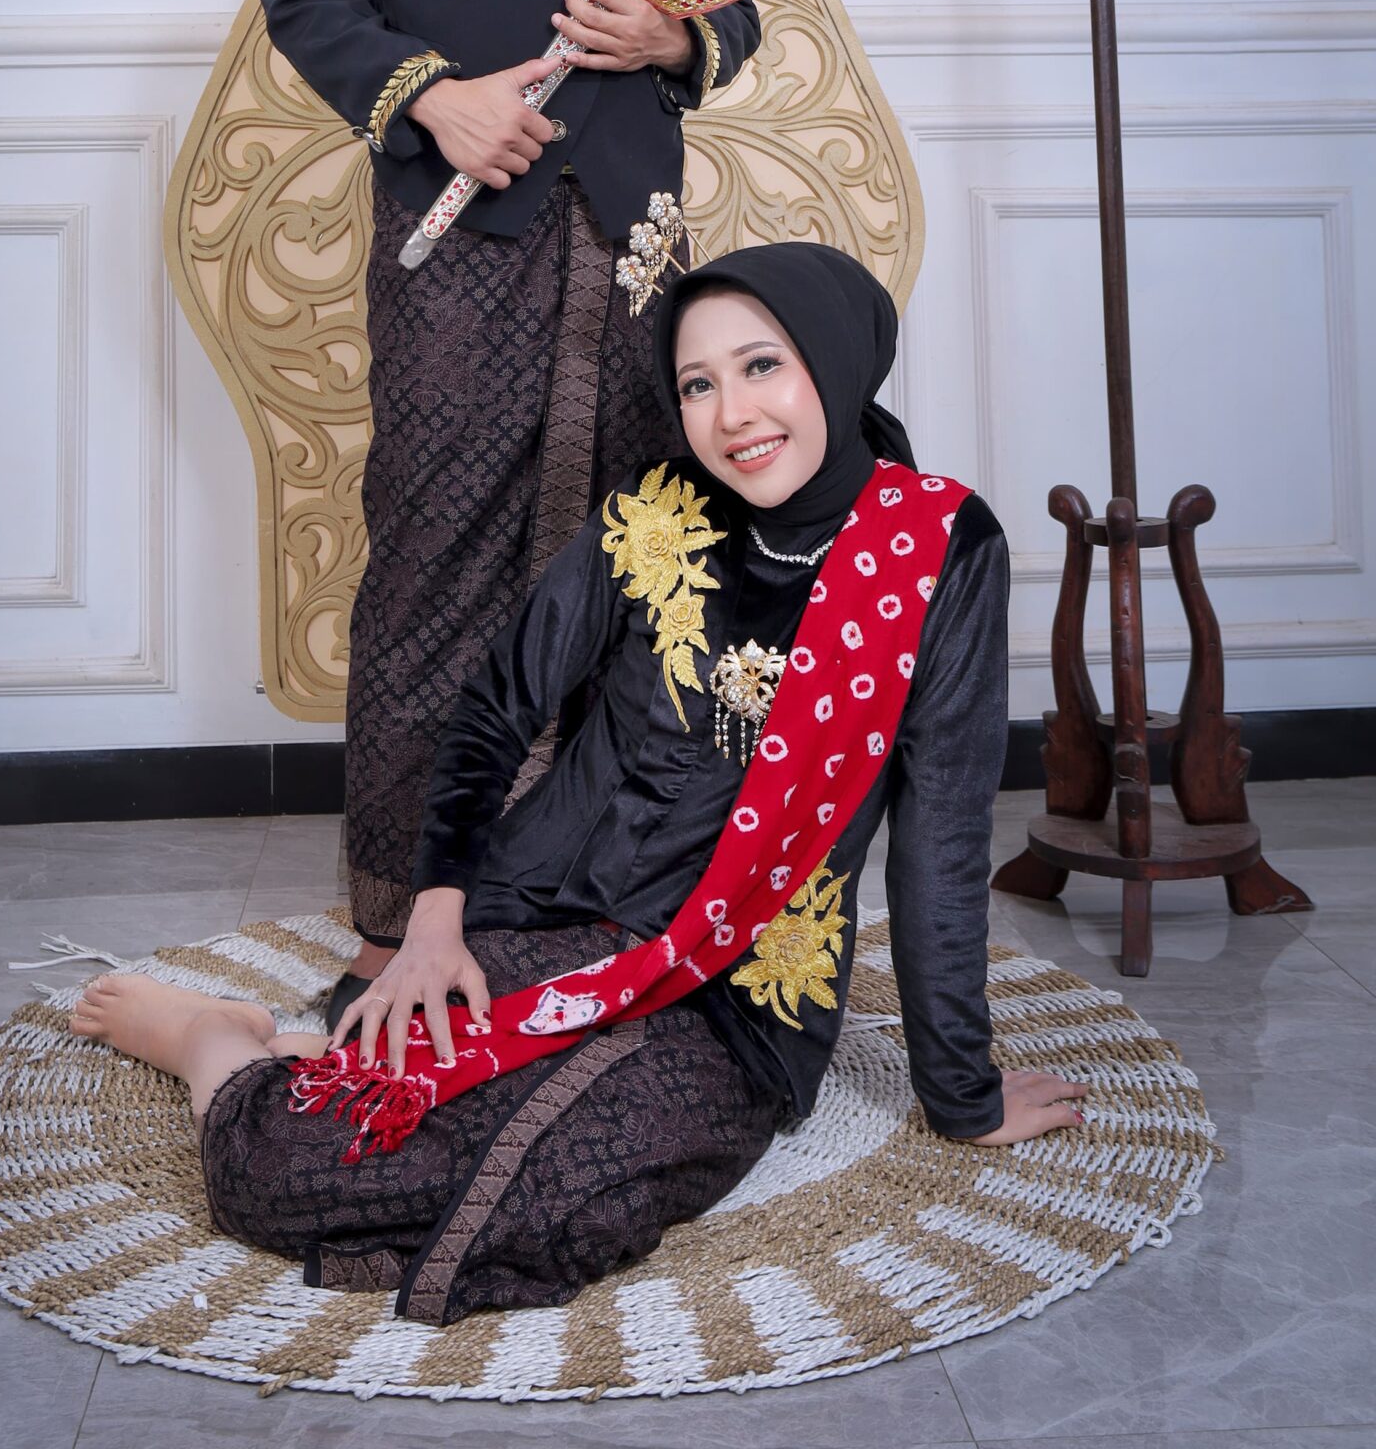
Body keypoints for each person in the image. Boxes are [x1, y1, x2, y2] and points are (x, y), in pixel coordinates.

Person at [70, 242, 1086, 1325]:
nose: (732, 413)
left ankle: (313, 1039)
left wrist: (964, 1096)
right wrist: (432, 925)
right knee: (290, 1166)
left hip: (737, 997)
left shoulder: (939, 548)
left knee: (570, 1194)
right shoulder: (653, 514)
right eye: (696, 384)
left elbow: (939, 845)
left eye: (761, 366)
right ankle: (214, 1042)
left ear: (834, 359)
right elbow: (493, 712)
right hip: (554, 916)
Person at [258, 0, 762, 986]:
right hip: (462, 226)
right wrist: (436, 98)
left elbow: (727, 17)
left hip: (631, 236)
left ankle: (590, 894)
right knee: (436, 549)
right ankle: (394, 921)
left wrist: (667, 42)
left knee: (633, 547)